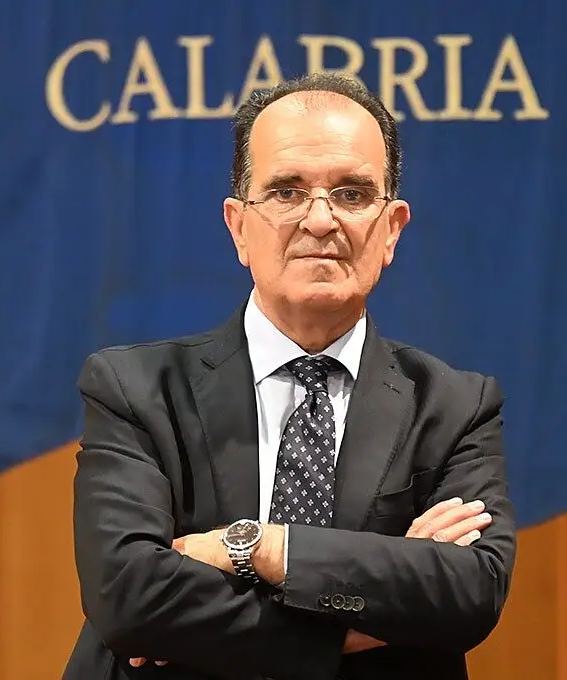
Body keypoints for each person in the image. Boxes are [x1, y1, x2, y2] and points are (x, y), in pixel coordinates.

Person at [61, 73, 517, 680]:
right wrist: (385, 598)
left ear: (392, 230)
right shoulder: (135, 389)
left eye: (352, 194)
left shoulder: (457, 406)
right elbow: (129, 596)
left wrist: (255, 546)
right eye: (286, 192)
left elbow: (469, 591)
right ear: (238, 227)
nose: (321, 220)